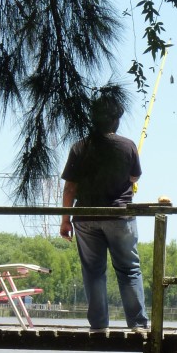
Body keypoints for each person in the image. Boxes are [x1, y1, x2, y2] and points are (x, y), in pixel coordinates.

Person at [60, 90, 149, 333]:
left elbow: (70, 187)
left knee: (93, 272)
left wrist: (65, 221)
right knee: (129, 269)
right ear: (116, 120)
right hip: (119, 217)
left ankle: (99, 326)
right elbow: (134, 176)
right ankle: (138, 325)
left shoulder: (79, 147)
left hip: (86, 218)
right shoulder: (128, 146)